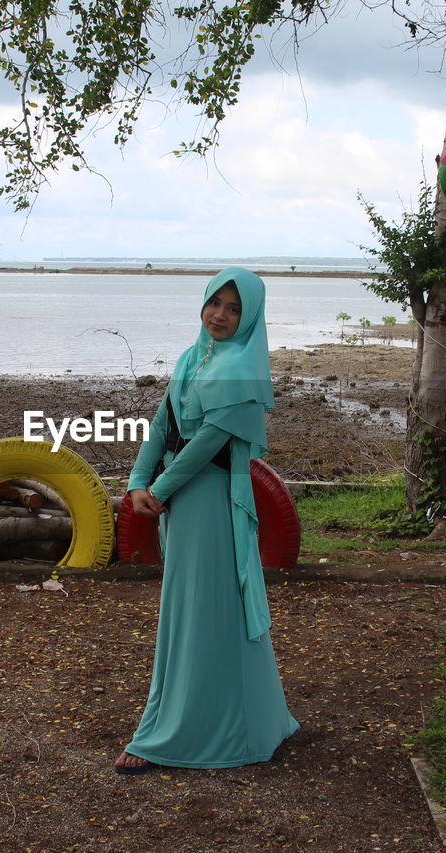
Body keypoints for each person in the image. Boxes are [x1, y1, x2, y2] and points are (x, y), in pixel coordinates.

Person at [115, 267, 299, 775]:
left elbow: (207, 445)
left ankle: (195, 732)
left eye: (234, 308)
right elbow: (162, 426)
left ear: (250, 318)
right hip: (180, 503)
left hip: (211, 502)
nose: (220, 315)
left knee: (209, 612)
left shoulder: (241, 367)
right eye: (215, 303)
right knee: (189, 610)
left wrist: (159, 489)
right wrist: (136, 483)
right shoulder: (191, 357)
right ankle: (216, 718)